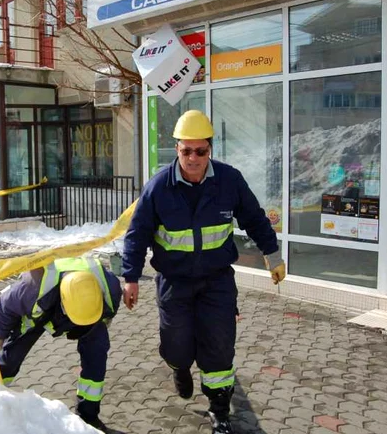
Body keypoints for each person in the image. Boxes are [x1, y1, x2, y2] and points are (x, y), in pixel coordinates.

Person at [120, 110, 285, 434]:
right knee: (177, 345)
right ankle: (180, 367)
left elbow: (254, 217)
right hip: (174, 282)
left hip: (217, 281)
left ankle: (220, 410)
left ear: (210, 150)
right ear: (177, 149)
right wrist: (130, 278)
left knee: (219, 345)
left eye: (201, 151)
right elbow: (136, 235)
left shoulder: (229, 180)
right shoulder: (159, 188)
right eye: (186, 151)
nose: (193, 158)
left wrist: (273, 256)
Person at [0, 256, 122, 433]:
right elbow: (5, 309)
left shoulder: (110, 290)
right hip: (42, 308)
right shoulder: (31, 289)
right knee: (11, 355)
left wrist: (93, 324)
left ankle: (89, 417)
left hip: (92, 314)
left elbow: (106, 317)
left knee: (96, 352)